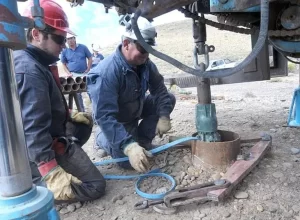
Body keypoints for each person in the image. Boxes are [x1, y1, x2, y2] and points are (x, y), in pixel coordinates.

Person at [14, 0, 106, 202]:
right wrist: (50, 171)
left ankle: (60, 161)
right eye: (59, 39)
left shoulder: (37, 61)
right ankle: (34, 184)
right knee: (95, 186)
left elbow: (35, 106)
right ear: (36, 34)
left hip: (48, 137)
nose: (64, 45)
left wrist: (67, 114)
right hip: (33, 149)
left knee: (82, 124)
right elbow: (33, 127)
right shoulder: (29, 69)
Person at [87, 16, 176, 173]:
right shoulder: (106, 73)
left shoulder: (145, 64)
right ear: (126, 44)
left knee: (169, 98)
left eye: (150, 50)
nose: (146, 55)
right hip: (117, 122)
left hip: (136, 109)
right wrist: (128, 146)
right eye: (143, 49)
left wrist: (164, 116)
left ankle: (143, 141)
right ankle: (101, 139)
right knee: (128, 163)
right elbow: (105, 117)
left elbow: (160, 90)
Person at [60, 34, 93, 112]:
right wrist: (68, 73)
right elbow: (63, 63)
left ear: (75, 39)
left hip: (85, 73)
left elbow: (90, 58)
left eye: (71, 38)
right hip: (74, 75)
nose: (70, 40)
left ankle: (95, 110)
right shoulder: (65, 51)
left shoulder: (83, 47)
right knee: (77, 94)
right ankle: (82, 112)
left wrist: (88, 69)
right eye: (68, 39)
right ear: (66, 41)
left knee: (91, 91)